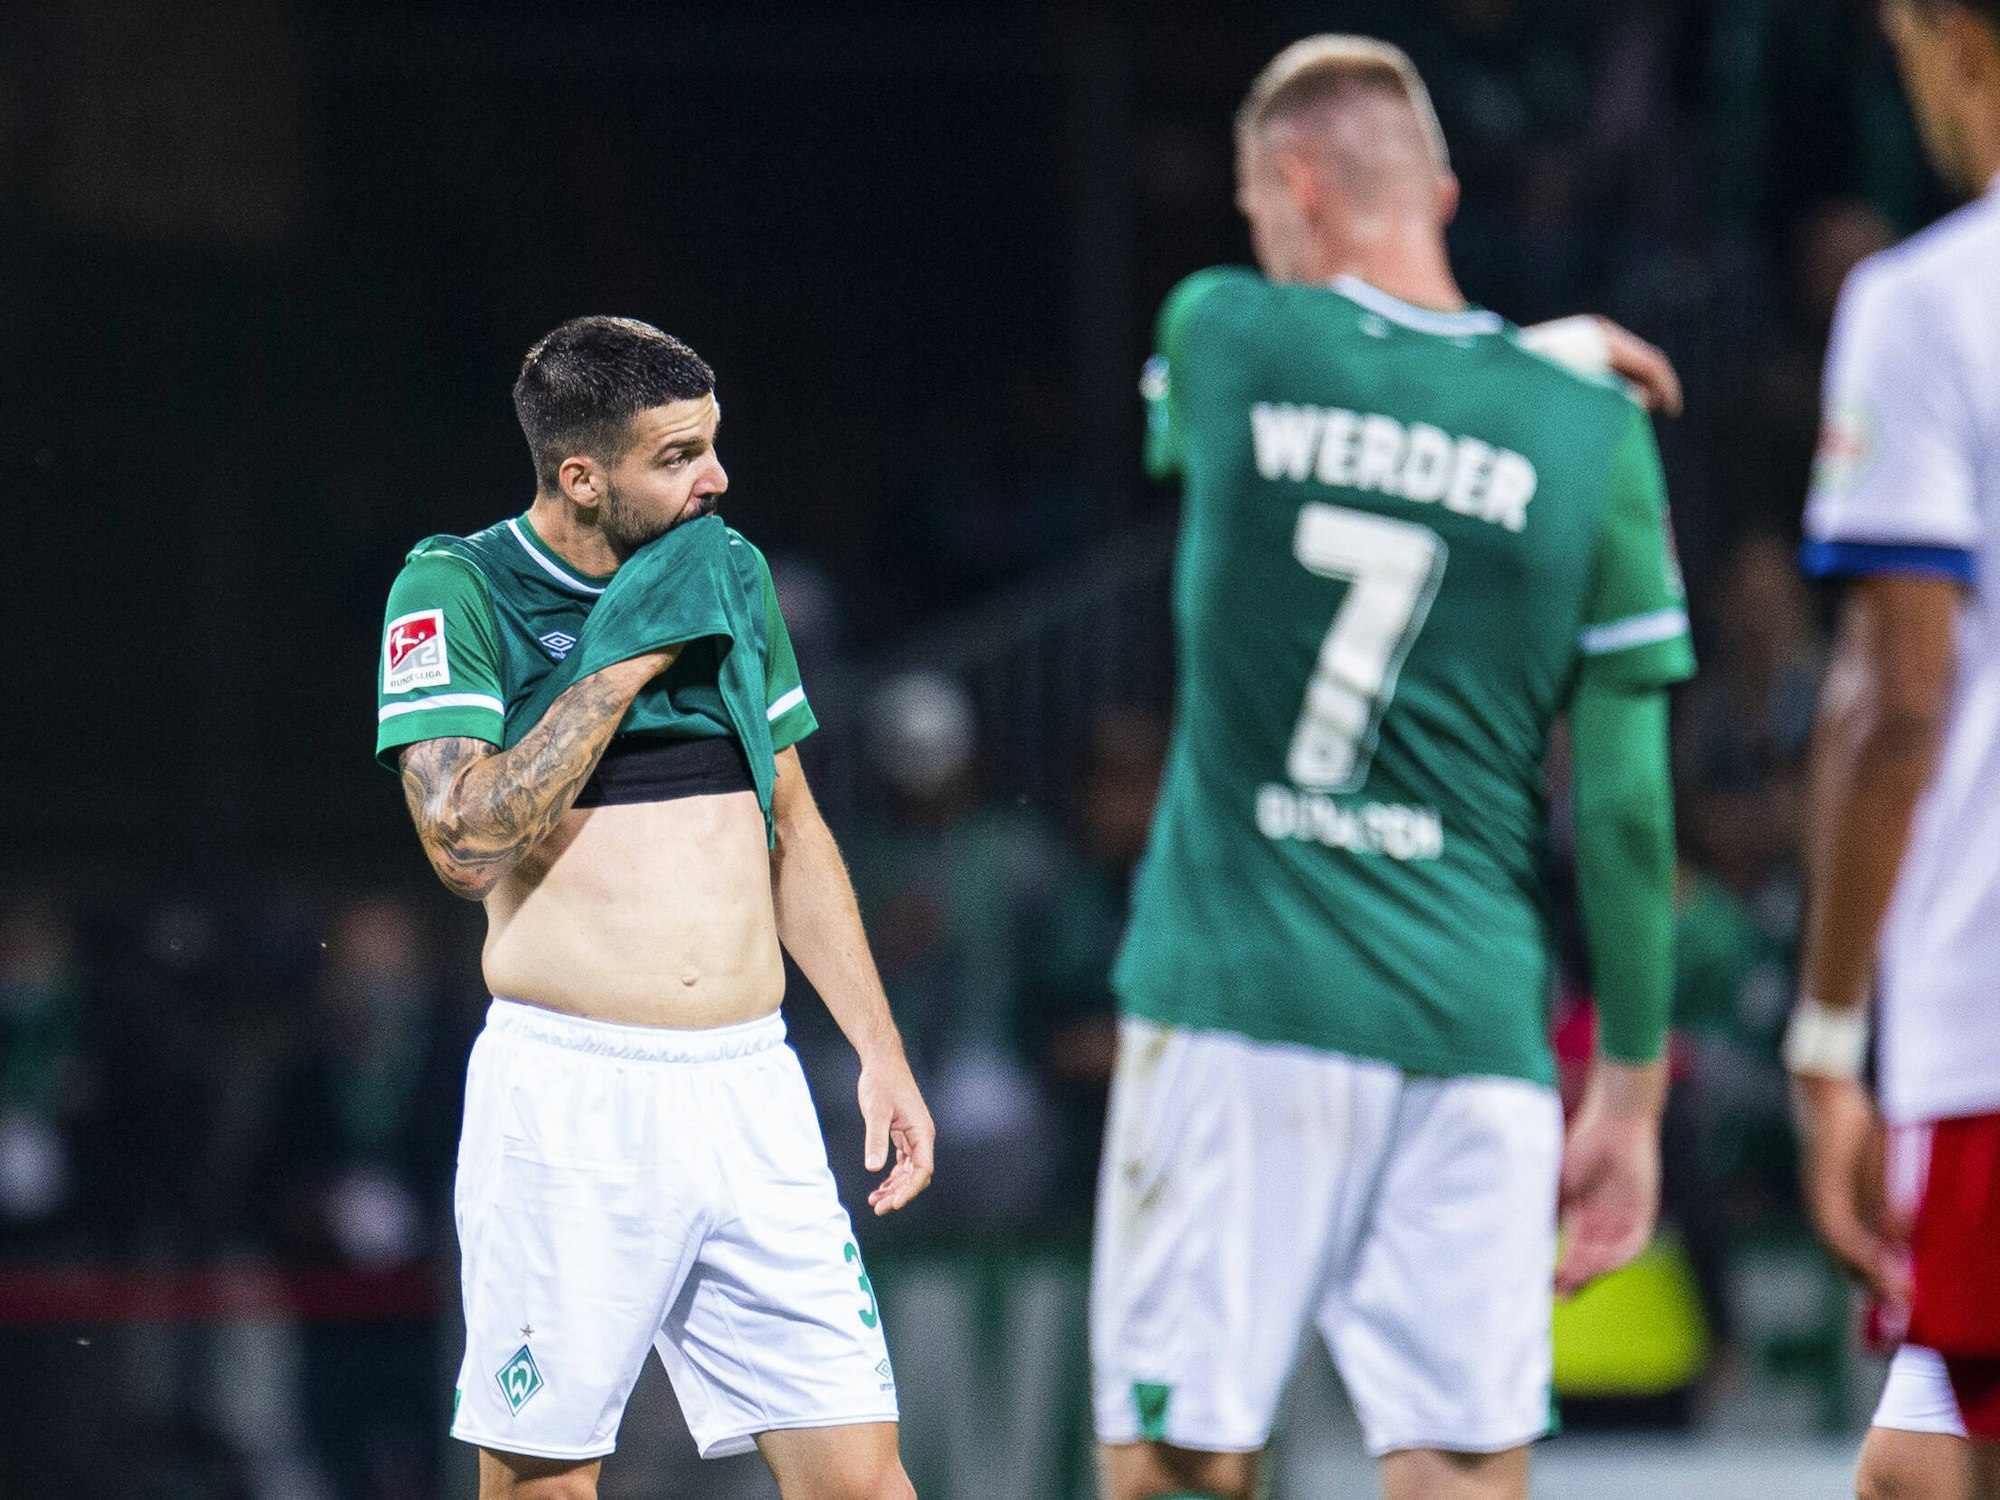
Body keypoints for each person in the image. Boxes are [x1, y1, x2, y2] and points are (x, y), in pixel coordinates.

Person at [1092, 37, 1692, 1500]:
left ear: (1291, 185)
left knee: (1181, 1460)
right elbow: (1619, 809)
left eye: (1254, 210)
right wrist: (1633, 1086)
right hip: (1475, 1022)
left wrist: (1523, 358)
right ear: (1437, 183)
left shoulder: (1227, 334)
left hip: (1239, 998)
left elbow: (1279, 414)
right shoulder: (1595, 434)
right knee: (1462, 1469)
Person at [373, 316, 933, 1500]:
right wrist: (624, 658)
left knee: (864, 1480)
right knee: (544, 1481)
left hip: (751, 1088)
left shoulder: (731, 573)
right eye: (677, 455)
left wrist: (877, 1049)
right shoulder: (458, 584)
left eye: (712, 446)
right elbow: (463, 845)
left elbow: (794, 821)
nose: (715, 479)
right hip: (572, 1098)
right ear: (581, 476)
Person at [1786, 3, 2000, 1497]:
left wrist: (1826, 1034)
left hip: (1987, 1015)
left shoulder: (1931, 301)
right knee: (1914, 1473)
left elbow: (1894, 701)